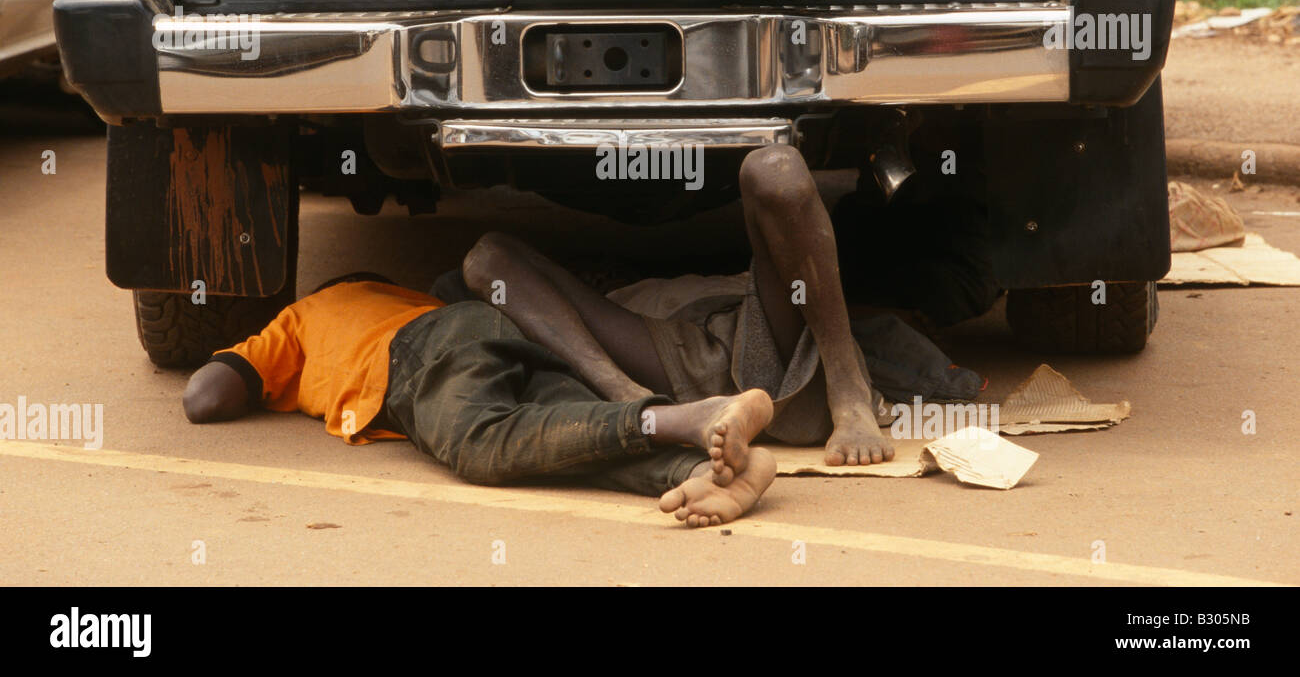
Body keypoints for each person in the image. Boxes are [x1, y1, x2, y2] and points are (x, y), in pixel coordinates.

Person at [458, 144, 971, 468]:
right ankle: (642, 406)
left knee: (774, 167)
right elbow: (492, 270)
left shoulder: (663, 284)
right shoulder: (618, 300)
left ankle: (847, 387)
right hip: (674, 367)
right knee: (486, 258)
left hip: (773, 337)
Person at [181, 275, 777, 528]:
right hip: (486, 333)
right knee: (557, 437)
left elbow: (204, 399)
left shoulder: (302, 317)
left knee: (480, 446)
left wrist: (240, 355)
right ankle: (709, 470)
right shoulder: (397, 295)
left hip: (418, 355)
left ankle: (687, 416)